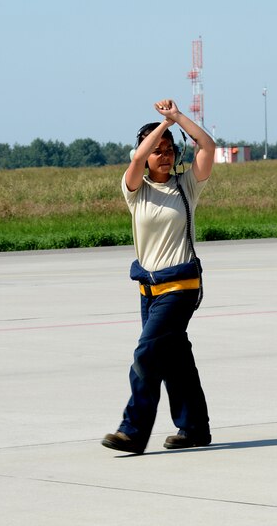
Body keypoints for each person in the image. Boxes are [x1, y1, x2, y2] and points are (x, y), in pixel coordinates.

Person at [102, 99, 216, 454]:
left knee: (147, 354)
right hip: (149, 291)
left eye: (169, 150)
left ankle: (133, 431)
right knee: (176, 361)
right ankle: (195, 428)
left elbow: (208, 147)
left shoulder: (187, 186)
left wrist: (177, 118)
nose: (163, 155)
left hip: (181, 287)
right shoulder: (136, 191)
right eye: (157, 150)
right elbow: (136, 160)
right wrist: (161, 127)